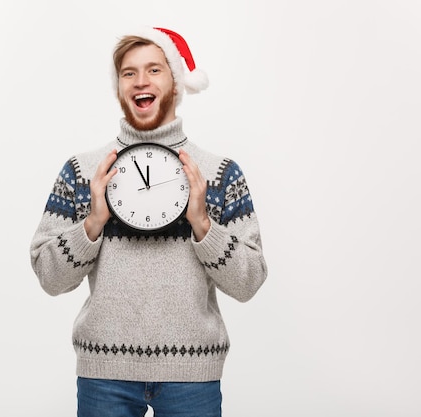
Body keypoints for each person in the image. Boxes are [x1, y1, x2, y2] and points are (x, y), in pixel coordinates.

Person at [30, 26, 268, 417]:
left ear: (176, 81)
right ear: (119, 86)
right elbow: (49, 277)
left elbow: (249, 281)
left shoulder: (220, 172)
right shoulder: (82, 170)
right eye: (129, 72)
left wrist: (203, 226)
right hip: (103, 374)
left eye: (155, 70)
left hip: (193, 375)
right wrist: (92, 222)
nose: (141, 81)